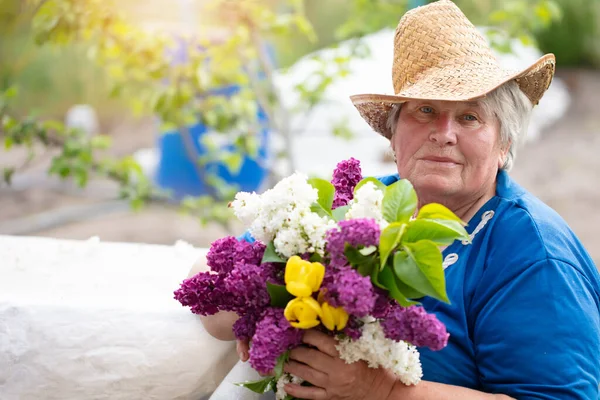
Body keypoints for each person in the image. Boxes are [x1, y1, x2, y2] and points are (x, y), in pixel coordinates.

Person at [196, 1, 600, 399]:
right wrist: (268, 312)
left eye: (469, 117)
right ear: (392, 136)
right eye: (424, 110)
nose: (444, 133)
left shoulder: (531, 254)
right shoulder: (358, 204)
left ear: (503, 143)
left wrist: (384, 391)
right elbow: (211, 292)